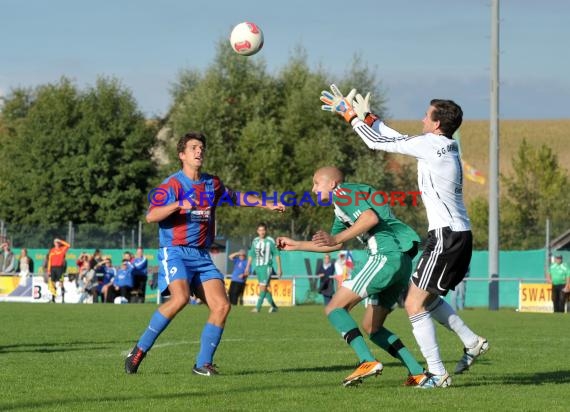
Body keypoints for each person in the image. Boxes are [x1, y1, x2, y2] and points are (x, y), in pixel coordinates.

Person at [320, 85, 489, 387]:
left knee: (414, 304)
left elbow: (378, 143)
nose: (423, 120)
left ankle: (437, 374)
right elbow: (397, 138)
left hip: (446, 237)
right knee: (426, 297)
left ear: (437, 124)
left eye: (426, 116)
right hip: (457, 235)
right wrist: (369, 117)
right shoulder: (443, 145)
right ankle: (471, 341)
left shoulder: (431, 144)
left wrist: (349, 116)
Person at [124, 131, 285, 376]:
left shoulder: (212, 183)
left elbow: (235, 197)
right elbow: (151, 215)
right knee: (180, 298)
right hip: (175, 252)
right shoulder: (173, 185)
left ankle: (202, 364)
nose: (199, 151)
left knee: (222, 306)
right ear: (182, 155)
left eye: (202, 148)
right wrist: (178, 204)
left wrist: (267, 203)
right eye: (193, 148)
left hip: (201, 255)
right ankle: (139, 349)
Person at [277, 166, 427, 387]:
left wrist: (336, 236)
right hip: (401, 262)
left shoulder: (343, 192)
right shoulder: (342, 206)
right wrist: (297, 245)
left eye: (316, 183)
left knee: (334, 308)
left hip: (384, 257)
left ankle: (367, 361)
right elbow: (334, 244)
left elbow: (369, 218)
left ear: (332, 184)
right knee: (372, 328)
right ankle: (417, 373)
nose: (313, 188)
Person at [245, 222, 282, 313]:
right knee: (264, 288)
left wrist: (279, 268)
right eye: (260, 230)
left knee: (262, 287)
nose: (262, 232)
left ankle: (257, 308)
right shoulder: (255, 241)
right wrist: (247, 267)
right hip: (258, 267)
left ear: (266, 231)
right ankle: (274, 307)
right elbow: (251, 254)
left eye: (263, 230)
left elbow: (277, 254)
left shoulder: (270, 241)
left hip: (267, 267)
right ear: (257, 231)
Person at [45, 238, 71, 303]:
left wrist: (60, 241)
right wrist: (48, 270)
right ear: (54, 243)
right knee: (53, 284)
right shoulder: (52, 250)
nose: (57, 243)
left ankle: (63, 299)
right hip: (53, 268)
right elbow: (49, 261)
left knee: (61, 283)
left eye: (58, 242)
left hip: (60, 268)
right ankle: (53, 299)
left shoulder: (62, 249)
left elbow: (68, 245)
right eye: (56, 242)